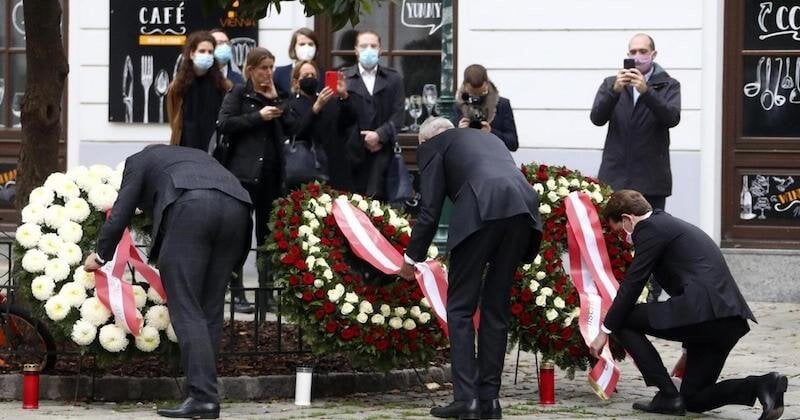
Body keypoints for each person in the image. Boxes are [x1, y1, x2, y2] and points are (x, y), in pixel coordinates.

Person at [84, 145, 251, 419]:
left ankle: (202, 397)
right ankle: (204, 394)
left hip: (192, 209)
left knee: (186, 307)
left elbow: (121, 211)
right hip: (239, 210)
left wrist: (101, 254)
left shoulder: (137, 161)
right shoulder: (192, 157)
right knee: (209, 310)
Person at [589, 190, 788, 419]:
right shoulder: (668, 225)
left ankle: (666, 394)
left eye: (618, 231)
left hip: (703, 316)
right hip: (727, 322)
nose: (623, 238)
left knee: (621, 321)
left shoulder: (650, 229)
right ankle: (764, 385)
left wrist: (605, 329)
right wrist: (687, 348)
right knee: (693, 399)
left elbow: (633, 284)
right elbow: (691, 285)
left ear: (627, 219)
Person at [398, 118, 542, 420]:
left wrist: (411, 259)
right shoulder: (487, 138)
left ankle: (466, 399)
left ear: (425, 141)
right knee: (495, 309)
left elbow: (430, 207)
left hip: (480, 210)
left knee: (461, 308)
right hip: (522, 211)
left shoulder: (433, 146)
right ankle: (490, 400)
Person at [217, 47, 285, 317]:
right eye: (263, 68)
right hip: (242, 176)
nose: (268, 73)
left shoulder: (277, 94)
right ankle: (237, 293)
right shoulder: (238, 93)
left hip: (271, 177)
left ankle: (266, 294)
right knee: (240, 237)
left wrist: (277, 100)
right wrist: (258, 117)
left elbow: (294, 124)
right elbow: (224, 123)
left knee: (267, 239)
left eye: (271, 67)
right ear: (251, 70)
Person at [590, 33, 681, 213]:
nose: (637, 57)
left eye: (643, 51)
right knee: (614, 233)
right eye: (633, 52)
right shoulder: (611, 83)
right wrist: (614, 92)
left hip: (651, 180)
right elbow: (597, 118)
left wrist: (646, 92)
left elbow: (672, 118)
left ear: (653, 54)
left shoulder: (668, 84)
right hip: (615, 177)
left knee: (650, 233)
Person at [342, 29, 405, 199]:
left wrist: (379, 135)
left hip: (382, 152)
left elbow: (398, 114)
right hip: (351, 154)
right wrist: (362, 139)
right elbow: (338, 117)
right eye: (363, 46)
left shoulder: (393, 78)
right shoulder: (344, 78)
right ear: (355, 50)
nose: (368, 50)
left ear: (380, 49)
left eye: (373, 46)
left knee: (379, 207)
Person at [282, 61, 358, 191]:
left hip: (335, 166)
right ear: (296, 82)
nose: (310, 78)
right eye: (306, 76)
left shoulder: (329, 100)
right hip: (309, 170)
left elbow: (350, 120)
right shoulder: (290, 105)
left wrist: (344, 96)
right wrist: (315, 109)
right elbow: (296, 132)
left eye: (313, 75)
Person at [167, 31, 232, 149]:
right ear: (192, 53)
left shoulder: (224, 85)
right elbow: (174, 120)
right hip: (185, 148)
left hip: (214, 149)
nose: (207, 55)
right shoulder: (177, 87)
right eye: (202, 51)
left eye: (210, 52)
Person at [454, 64, 519, 151]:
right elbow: (450, 147)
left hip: (494, 159)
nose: (477, 98)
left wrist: (491, 132)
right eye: (473, 94)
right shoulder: (458, 106)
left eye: (481, 93)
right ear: (465, 86)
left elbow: (513, 144)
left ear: (487, 83)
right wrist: (459, 132)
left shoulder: (502, 104)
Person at [273, 28, 323, 98]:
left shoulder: (323, 73)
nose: (306, 47)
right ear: (294, 48)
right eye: (302, 44)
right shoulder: (279, 73)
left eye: (310, 44)